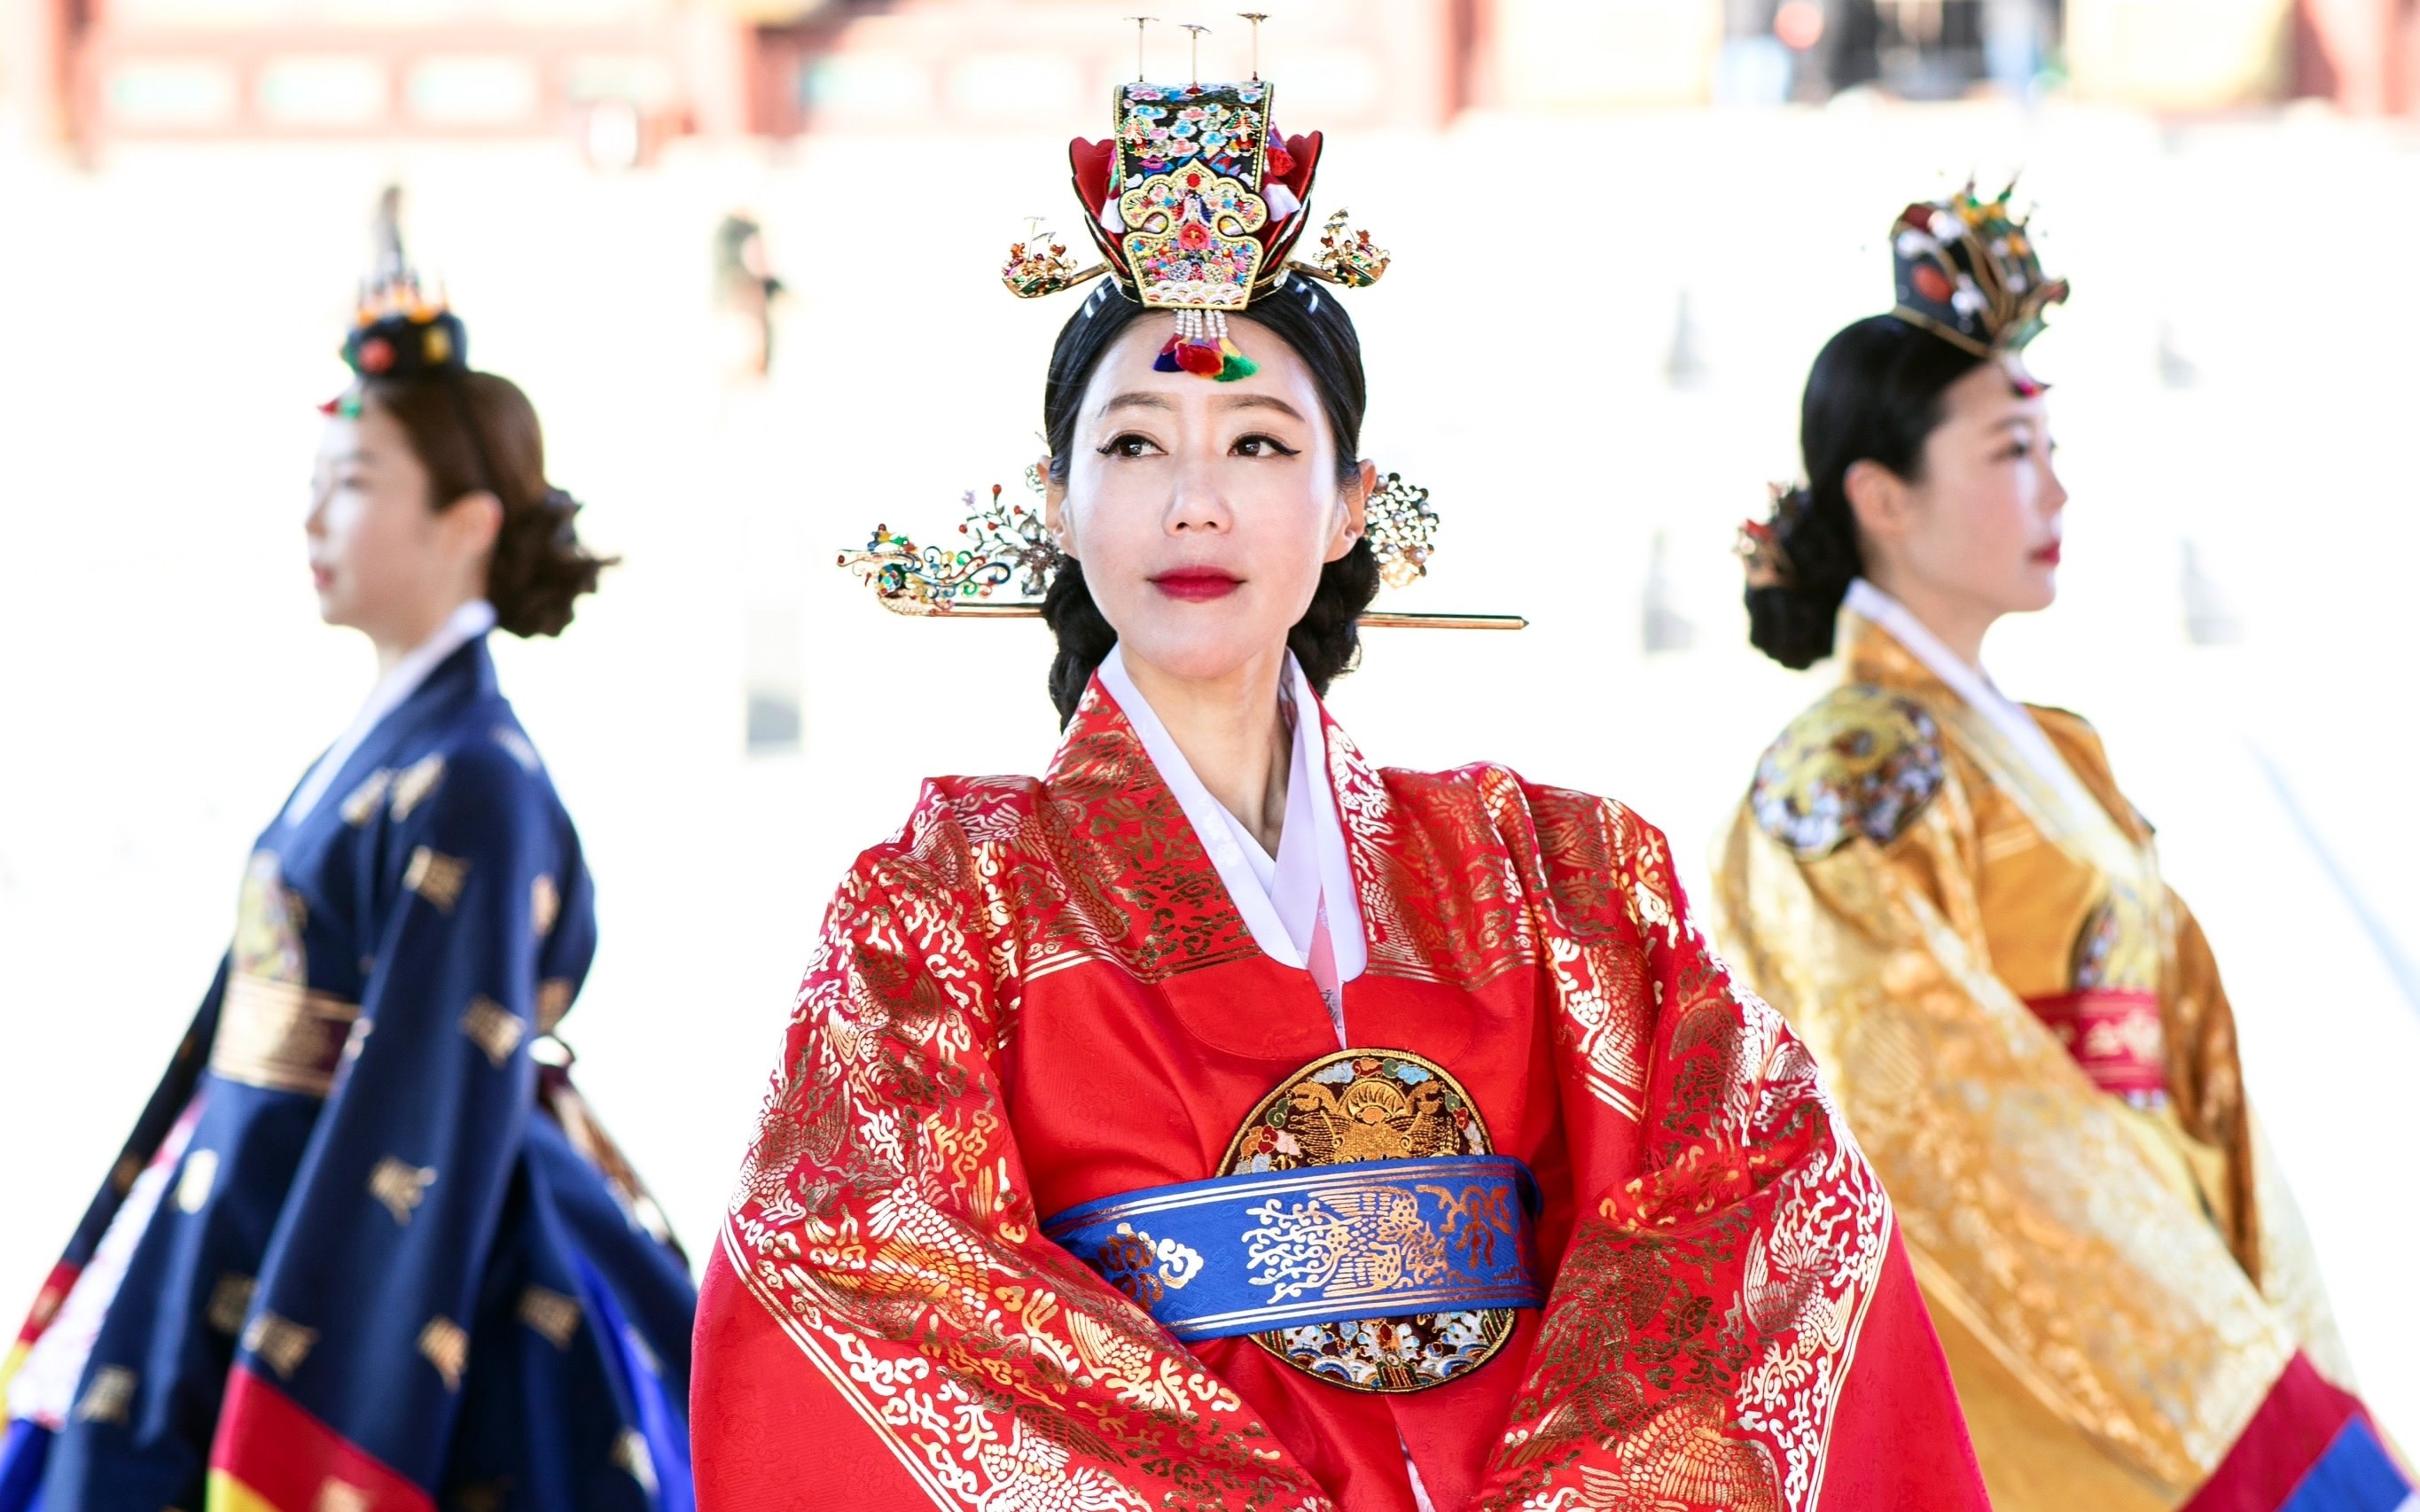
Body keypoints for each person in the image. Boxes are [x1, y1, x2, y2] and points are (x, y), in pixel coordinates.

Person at [691, 68, 1988, 1512]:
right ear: (1056, 501)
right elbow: (844, 1254)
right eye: (1132, 445)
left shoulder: (1557, 873)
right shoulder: (942, 906)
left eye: (1258, 445)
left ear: (1350, 500)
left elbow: (1763, 1189)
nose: (1196, 500)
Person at [1713, 190, 2408, 1512]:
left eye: (2049, 444)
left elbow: (2196, 1069)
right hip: (2012, 1350)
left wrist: (2275, 1344)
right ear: (1883, 498)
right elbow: (1932, 1102)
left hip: (2168, 1294)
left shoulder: (2053, 748)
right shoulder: (1846, 774)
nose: (2056, 488)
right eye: (2009, 450)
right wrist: (2218, 1385)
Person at [0, 259, 697, 1512]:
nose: (314, 520)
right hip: (258, 1202)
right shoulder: (398, 743)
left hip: (380, 1256)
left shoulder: (477, 774)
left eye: (356, 485)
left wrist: (321, 1419)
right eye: (314, 487)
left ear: (468, 520)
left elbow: (423, 1101)